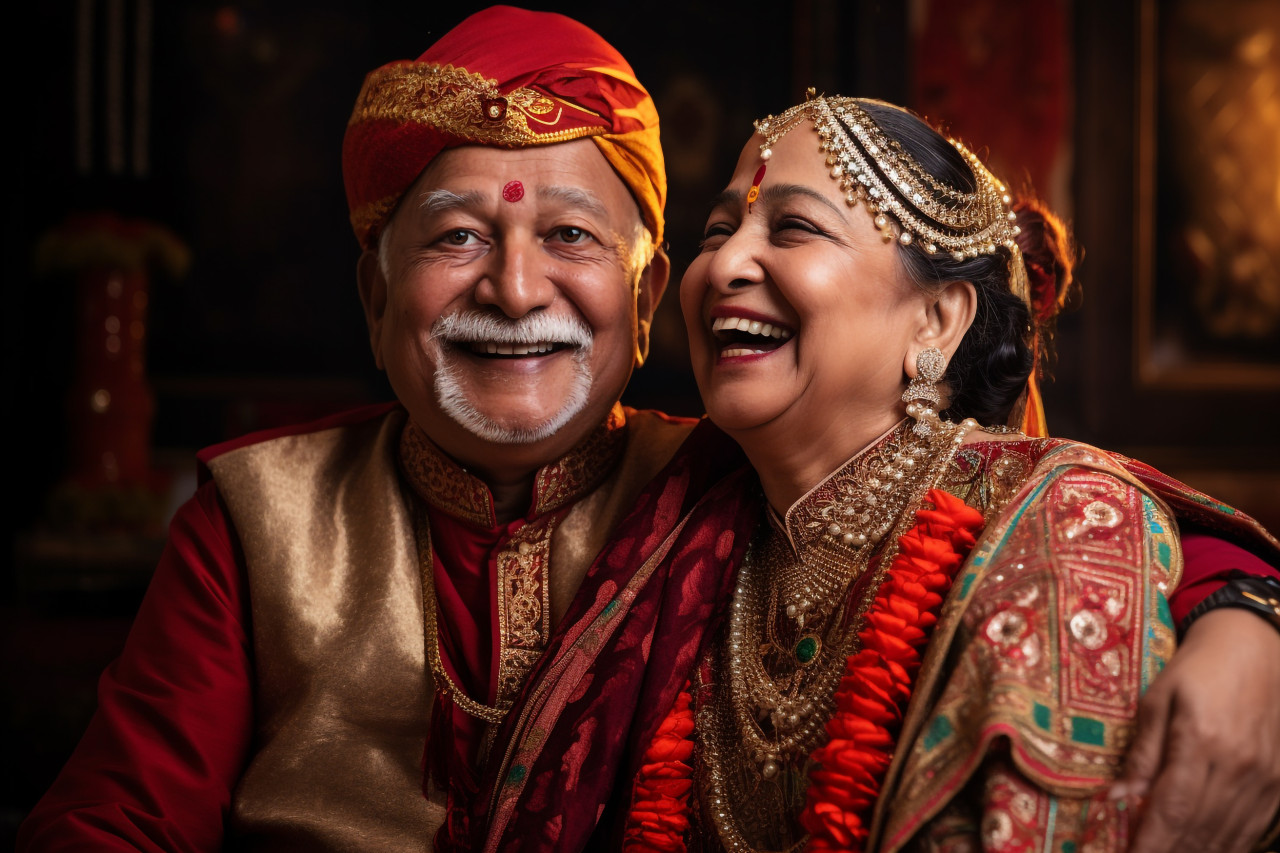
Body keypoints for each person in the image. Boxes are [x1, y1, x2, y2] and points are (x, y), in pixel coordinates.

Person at [15, 8, 1280, 853]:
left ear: (637, 291)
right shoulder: (259, 516)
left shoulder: (726, 476)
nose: (513, 290)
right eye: (455, 237)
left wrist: (1252, 627)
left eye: (568, 237)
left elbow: (1100, 520)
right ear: (371, 293)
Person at [603, 92, 1280, 851]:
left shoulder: (1064, 530)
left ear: (936, 320)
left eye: (793, 228)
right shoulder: (682, 539)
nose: (724, 263)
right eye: (717, 230)